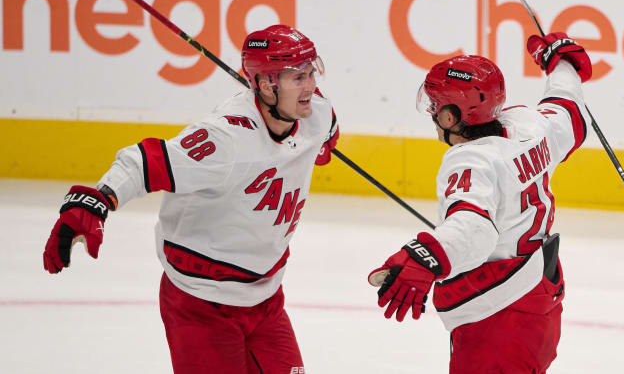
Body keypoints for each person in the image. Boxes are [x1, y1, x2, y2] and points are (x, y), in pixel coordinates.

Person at [43, 24, 338, 374]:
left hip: (267, 301)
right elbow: (143, 162)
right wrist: (96, 201)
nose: (311, 87)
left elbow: (326, 133)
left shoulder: (317, 113)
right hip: (200, 302)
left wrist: (321, 144)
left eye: (310, 73)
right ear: (264, 85)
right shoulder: (225, 139)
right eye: (297, 78)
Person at [368, 32, 592, 373]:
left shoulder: (471, 160)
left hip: (498, 316)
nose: (431, 112)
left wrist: (425, 257)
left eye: (435, 106)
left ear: (452, 116)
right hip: (541, 300)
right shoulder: (531, 125)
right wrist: (561, 63)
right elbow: (567, 108)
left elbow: (473, 230)